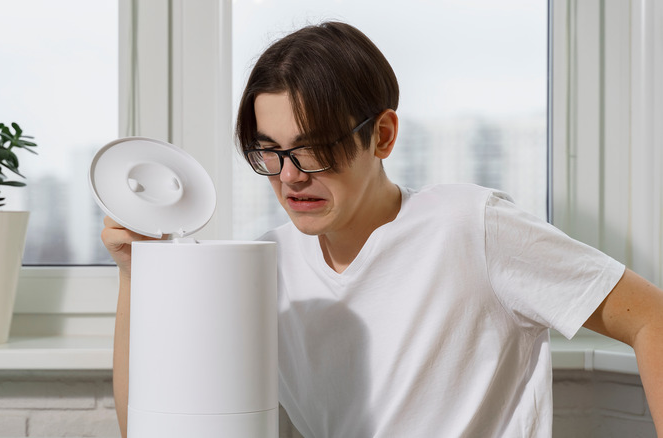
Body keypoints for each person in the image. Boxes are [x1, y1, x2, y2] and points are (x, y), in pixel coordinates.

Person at [102, 21, 663, 437]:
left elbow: (652, 318)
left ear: (383, 136)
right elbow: (147, 426)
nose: (291, 178)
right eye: (270, 153)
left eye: (314, 149)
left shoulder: (469, 226)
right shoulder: (266, 263)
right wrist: (134, 273)